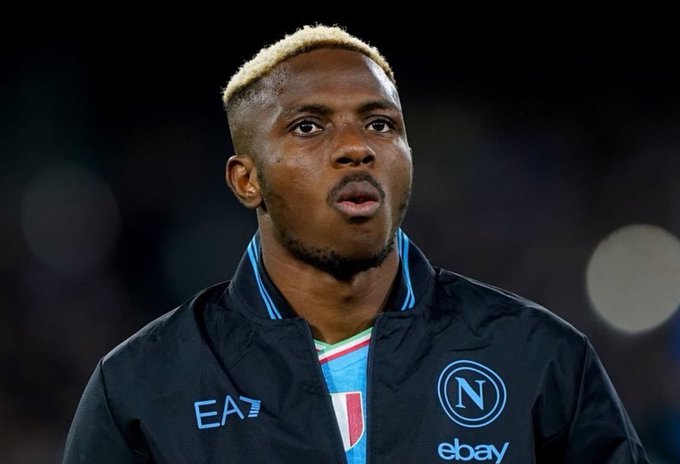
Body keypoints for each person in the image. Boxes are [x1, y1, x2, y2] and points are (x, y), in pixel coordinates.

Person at [62, 24, 649, 464]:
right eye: (309, 127)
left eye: (380, 124)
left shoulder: (537, 355)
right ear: (246, 181)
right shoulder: (144, 384)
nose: (356, 148)